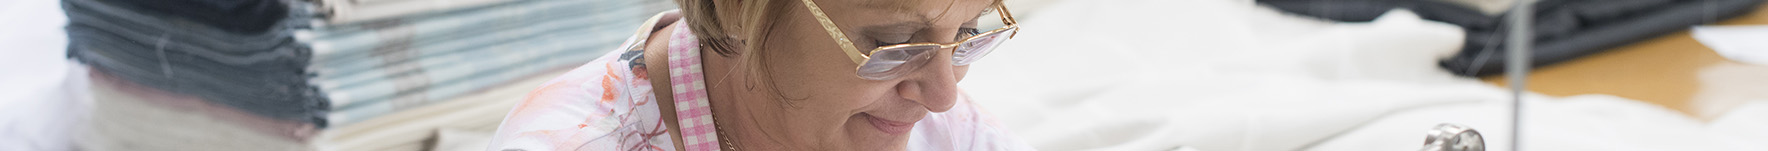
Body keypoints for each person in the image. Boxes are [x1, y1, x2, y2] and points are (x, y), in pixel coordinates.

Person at [485, 0, 1027, 150]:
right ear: (736, 8)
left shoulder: (956, 136)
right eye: (891, 43)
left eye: (966, 33)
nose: (942, 98)